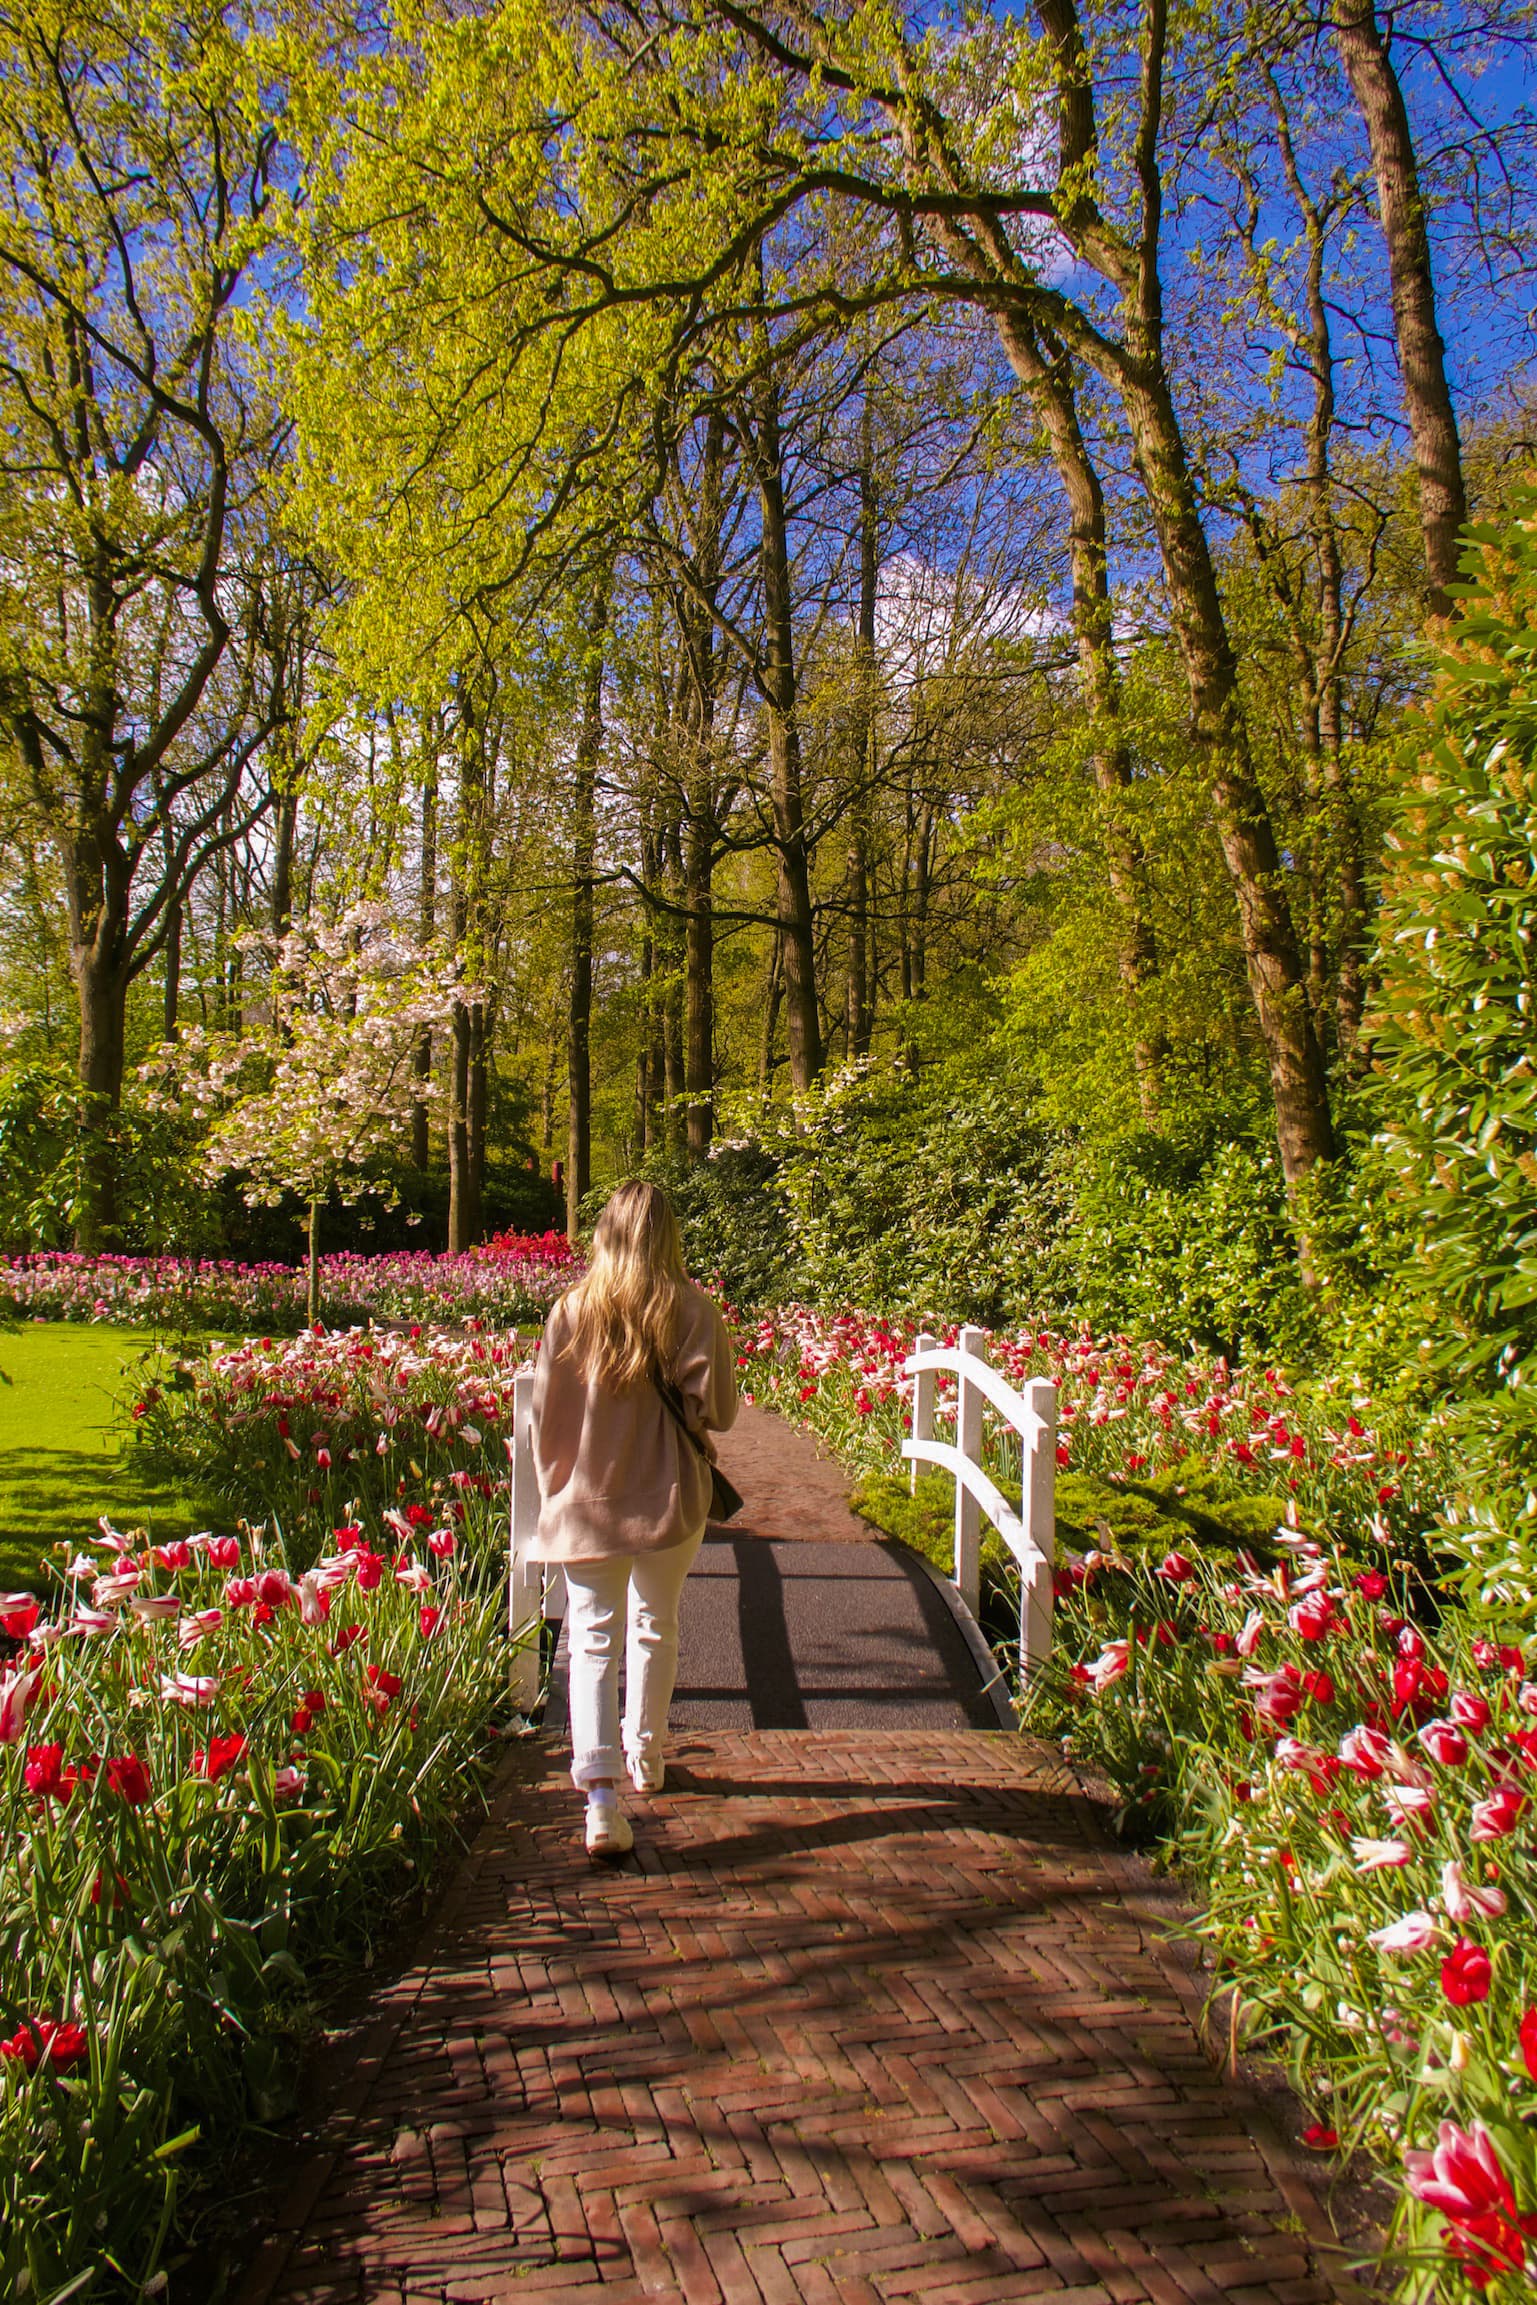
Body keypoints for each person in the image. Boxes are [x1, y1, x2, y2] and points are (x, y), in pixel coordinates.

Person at [527, 1179, 737, 1858]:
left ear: (605, 1233)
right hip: (669, 1497)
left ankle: (600, 1799)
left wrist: (557, 1486)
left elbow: (545, 1420)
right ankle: (646, 1754)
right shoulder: (691, 1310)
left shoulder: (570, 1311)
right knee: (656, 1623)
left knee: (590, 1638)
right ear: (668, 1234)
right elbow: (721, 1412)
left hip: (587, 1501)